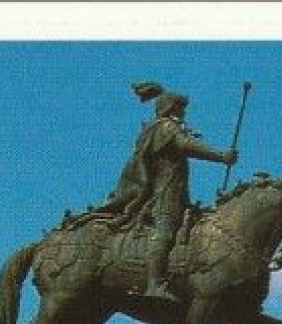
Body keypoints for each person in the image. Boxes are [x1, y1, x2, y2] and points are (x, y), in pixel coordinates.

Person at [93, 83, 237, 301]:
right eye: (181, 107)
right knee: (165, 232)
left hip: (177, 193)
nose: (184, 112)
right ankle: (153, 284)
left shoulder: (167, 127)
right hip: (164, 194)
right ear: (171, 108)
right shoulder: (165, 128)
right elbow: (186, 145)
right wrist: (220, 156)